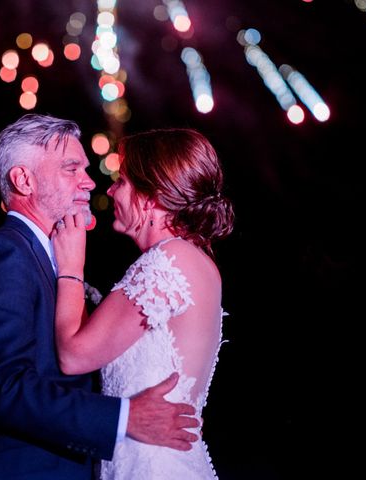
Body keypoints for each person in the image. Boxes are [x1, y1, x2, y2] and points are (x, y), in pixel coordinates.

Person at [0, 114, 200, 480]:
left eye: (85, 169)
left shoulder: (54, 255)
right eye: (72, 169)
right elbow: (1, 386)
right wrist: (123, 417)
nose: (89, 182)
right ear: (23, 180)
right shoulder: (5, 253)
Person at [52, 127, 235, 479]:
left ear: (152, 196)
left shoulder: (169, 261)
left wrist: (71, 267)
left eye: (121, 181)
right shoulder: (190, 258)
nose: (110, 190)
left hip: (152, 465)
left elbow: (74, 356)